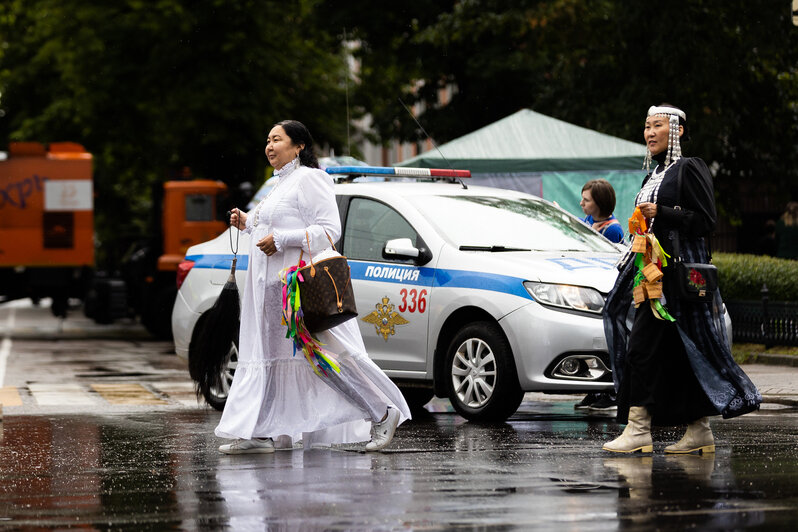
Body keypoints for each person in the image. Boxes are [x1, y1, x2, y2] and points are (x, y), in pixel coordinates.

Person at [217, 120, 411, 454]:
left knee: (320, 358)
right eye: (267, 139)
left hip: (297, 292)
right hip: (268, 292)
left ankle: (382, 412)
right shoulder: (277, 185)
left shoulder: (310, 179)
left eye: (277, 139)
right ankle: (263, 432)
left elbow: (329, 230)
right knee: (268, 359)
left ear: (299, 146)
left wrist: (282, 239)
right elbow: (268, 229)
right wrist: (246, 223)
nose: (269, 145)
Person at [602, 104, 761, 454]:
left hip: (679, 279)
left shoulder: (690, 168)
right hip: (652, 275)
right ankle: (699, 429)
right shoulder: (651, 177)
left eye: (657, 125)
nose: (649, 133)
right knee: (679, 354)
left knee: (641, 348)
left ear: (679, 131)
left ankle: (639, 427)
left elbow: (706, 221)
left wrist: (663, 212)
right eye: (646, 126)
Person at [574, 179, 624, 412]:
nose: (582, 203)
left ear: (600, 203)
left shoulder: (613, 229)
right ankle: (594, 391)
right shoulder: (588, 222)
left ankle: (609, 392)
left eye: (587, 200)